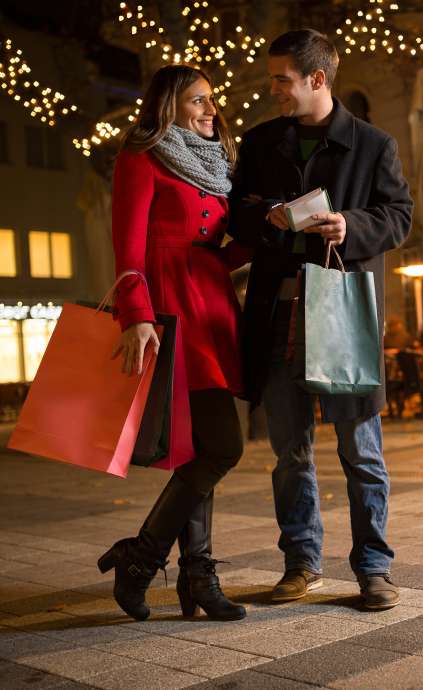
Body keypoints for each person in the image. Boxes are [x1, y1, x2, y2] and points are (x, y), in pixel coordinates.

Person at [230, 29, 413, 610]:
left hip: (341, 313)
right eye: (272, 80)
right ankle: (300, 563)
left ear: (317, 79)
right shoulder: (260, 144)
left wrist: (351, 226)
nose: (274, 90)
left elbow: (399, 216)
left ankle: (374, 569)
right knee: (291, 453)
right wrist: (270, 218)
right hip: (279, 313)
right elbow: (238, 216)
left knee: (361, 449)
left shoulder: (372, 143)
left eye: (281, 80)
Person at [98, 65, 251, 622]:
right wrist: (135, 317)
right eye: (199, 101)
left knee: (199, 452)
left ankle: (195, 576)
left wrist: (262, 240)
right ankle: (142, 559)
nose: (213, 110)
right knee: (221, 447)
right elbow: (128, 249)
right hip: (170, 311)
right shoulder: (142, 156)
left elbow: (212, 252)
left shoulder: (215, 168)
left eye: (213, 100)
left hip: (211, 309)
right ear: (169, 106)